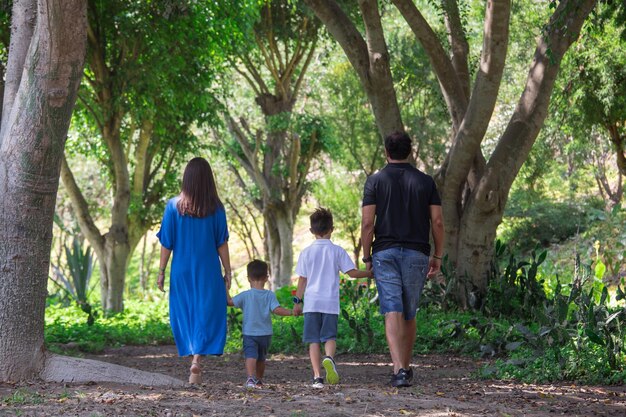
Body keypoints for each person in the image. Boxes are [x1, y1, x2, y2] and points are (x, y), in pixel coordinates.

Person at [361, 131, 444, 388]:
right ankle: (405, 368)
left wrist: (366, 257)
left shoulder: (374, 181)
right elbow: (438, 222)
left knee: (391, 308)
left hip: (384, 253)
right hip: (417, 253)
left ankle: (398, 369)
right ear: (410, 152)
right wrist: (437, 255)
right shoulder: (426, 182)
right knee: (409, 311)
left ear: (387, 151)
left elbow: (367, 223)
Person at [156, 157, 232, 385]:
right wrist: (228, 271)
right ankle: (198, 358)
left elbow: (166, 243)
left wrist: (161, 271)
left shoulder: (173, 206)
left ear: (186, 179)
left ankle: (193, 354)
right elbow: (222, 243)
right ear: (209, 180)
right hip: (207, 268)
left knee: (185, 311)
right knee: (207, 312)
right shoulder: (216, 209)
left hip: (181, 270)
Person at [293, 207, 373, 388]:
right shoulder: (337, 251)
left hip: (312, 303)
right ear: (332, 229)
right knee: (329, 337)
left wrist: (297, 302)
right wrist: (369, 274)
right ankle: (329, 358)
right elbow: (351, 273)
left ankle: (316, 377)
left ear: (312, 231)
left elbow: (302, 280)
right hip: (329, 302)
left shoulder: (306, 253)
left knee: (313, 340)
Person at [227, 260, 292, 389]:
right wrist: (291, 312)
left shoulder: (245, 295)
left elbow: (229, 302)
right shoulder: (269, 295)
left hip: (249, 333)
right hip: (266, 333)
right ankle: (259, 380)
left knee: (251, 355)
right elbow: (277, 310)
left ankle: (250, 378)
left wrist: (226, 287)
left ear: (248, 278)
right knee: (261, 358)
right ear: (266, 278)